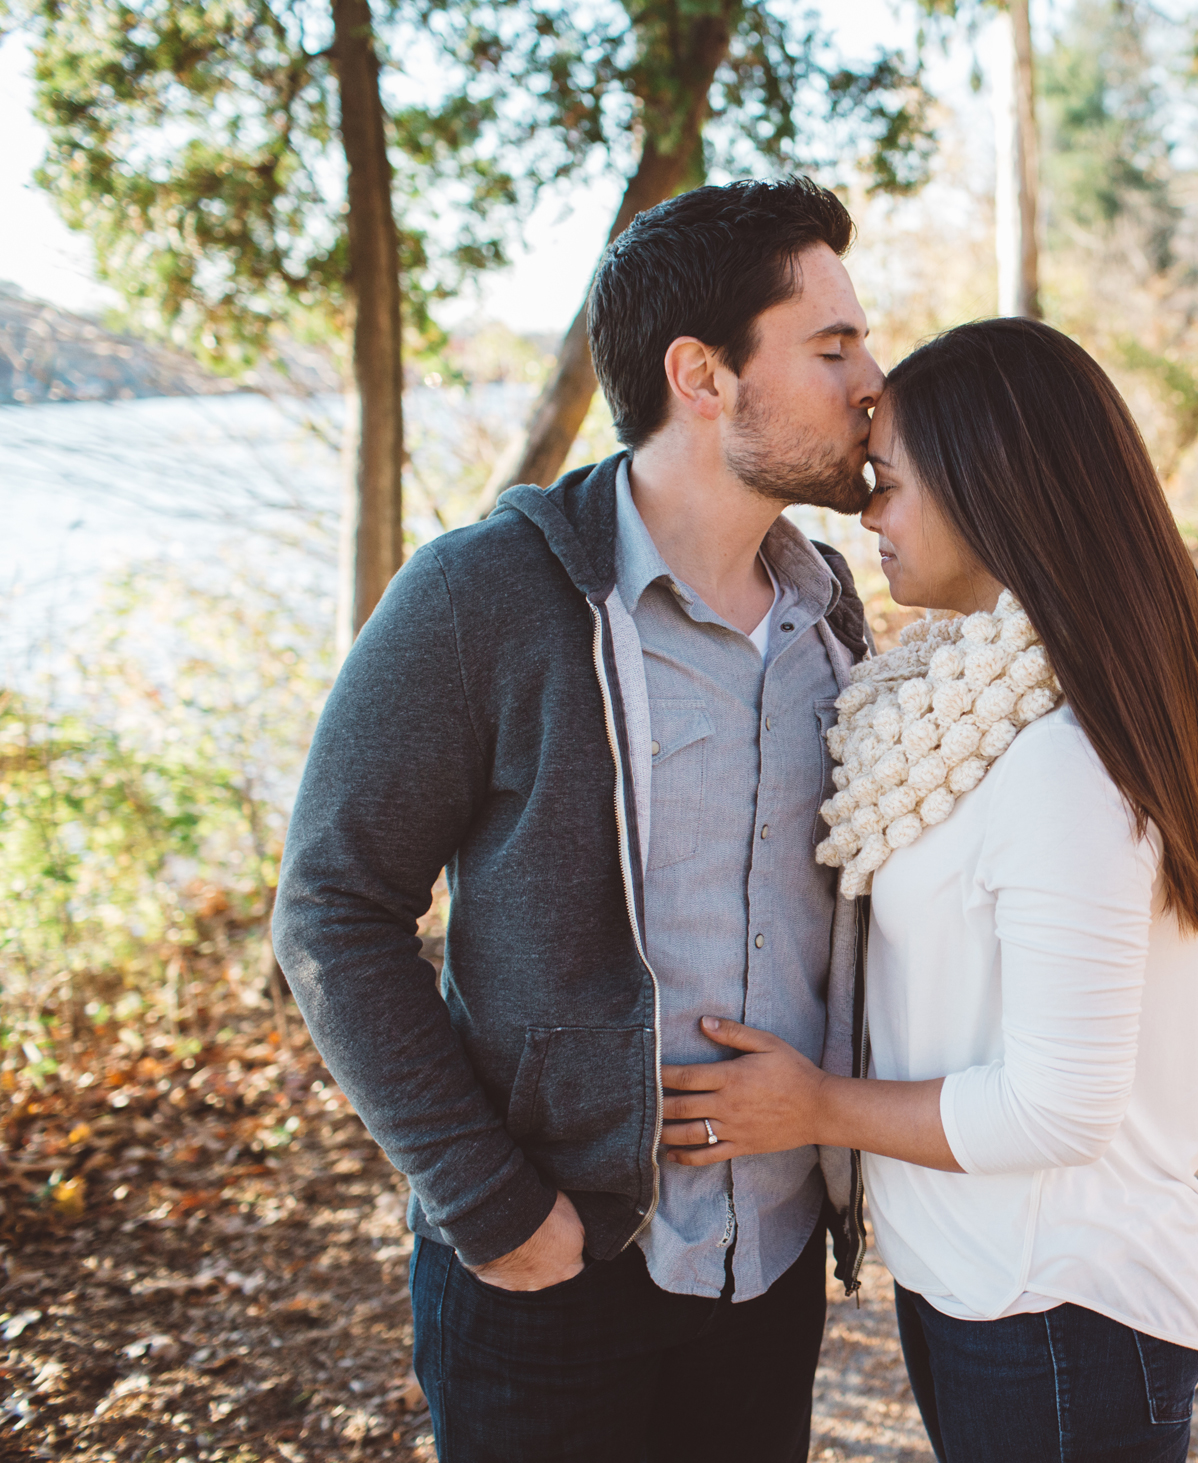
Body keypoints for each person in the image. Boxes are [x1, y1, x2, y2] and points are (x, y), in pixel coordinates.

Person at [269, 177, 882, 1462]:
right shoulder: (479, 595)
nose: (870, 381)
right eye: (832, 347)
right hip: (551, 1267)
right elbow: (331, 904)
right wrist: (488, 1199)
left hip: (764, 1265)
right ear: (702, 375)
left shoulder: (826, 611)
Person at [659, 317, 1198, 1463]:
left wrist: (812, 1106)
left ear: (996, 492)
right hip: (981, 1279)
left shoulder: (1059, 760)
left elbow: (1058, 1106)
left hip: (1064, 1301)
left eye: (893, 484)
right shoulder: (956, 708)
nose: (869, 515)